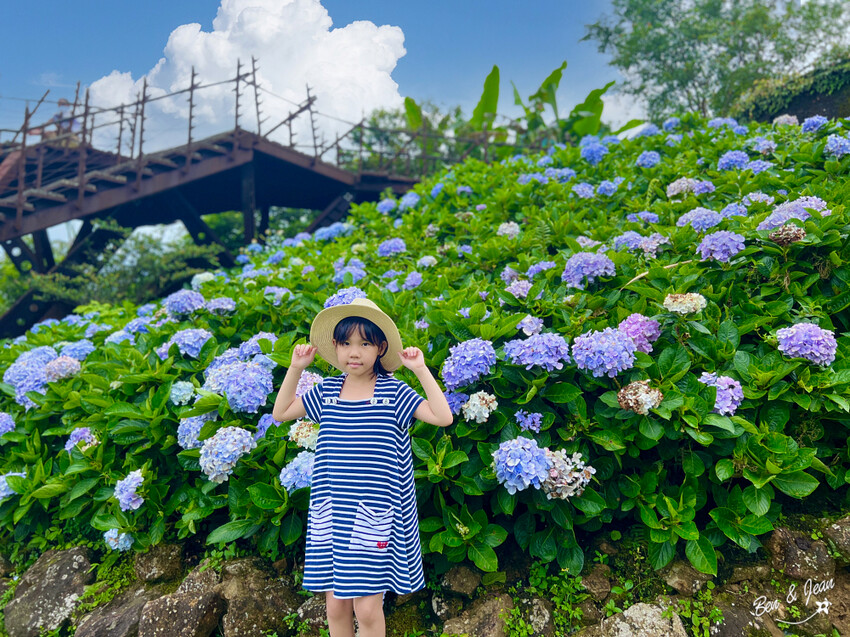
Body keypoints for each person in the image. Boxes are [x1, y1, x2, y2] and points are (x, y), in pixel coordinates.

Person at [272, 297, 453, 637]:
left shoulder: (394, 393)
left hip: (374, 515)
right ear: (336, 347)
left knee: (367, 607)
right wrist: (296, 368)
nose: (353, 352)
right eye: (345, 343)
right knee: (335, 606)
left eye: (364, 343)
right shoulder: (326, 391)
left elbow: (443, 417)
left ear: (380, 348)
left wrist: (421, 370)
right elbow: (281, 413)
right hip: (332, 512)